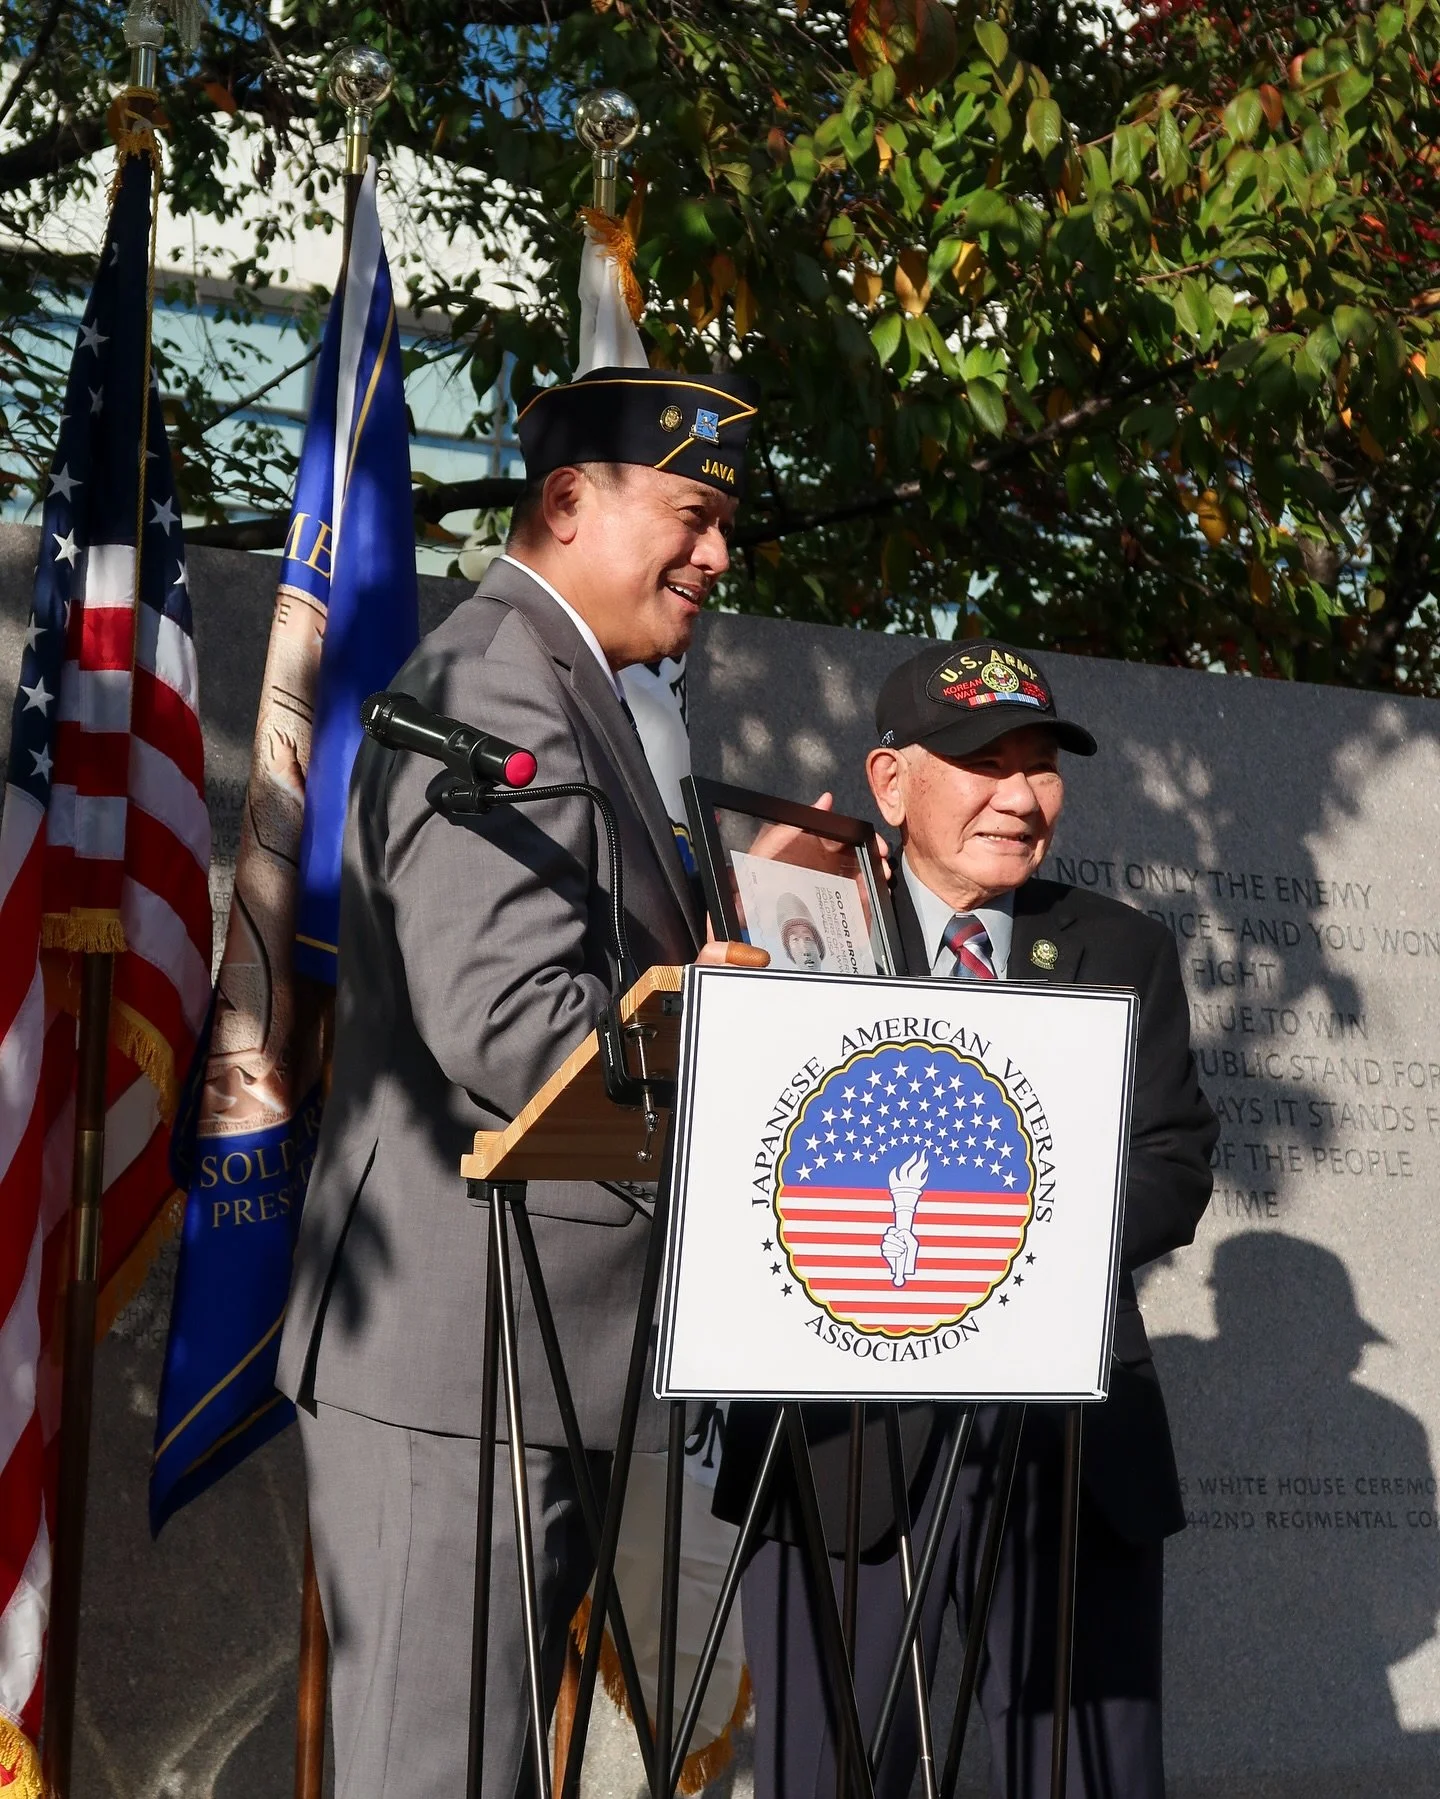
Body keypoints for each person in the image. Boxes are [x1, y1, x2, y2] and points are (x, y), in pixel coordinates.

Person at [276, 364, 760, 1798]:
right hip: (457, 1349)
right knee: (436, 1771)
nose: (718, 555)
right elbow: (504, 1014)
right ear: (567, 501)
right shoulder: (497, 672)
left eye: (728, 523)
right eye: (693, 512)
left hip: (531, 1348)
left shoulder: (572, 687)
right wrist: (727, 1032)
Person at [716, 638, 1219, 1799]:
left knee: (1088, 1773)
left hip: (1067, 1442)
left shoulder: (1119, 946)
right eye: (982, 761)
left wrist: (1005, 1250)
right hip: (841, 1438)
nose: (1018, 796)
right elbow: (743, 1146)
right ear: (893, 784)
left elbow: (1172, 1158)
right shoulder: (807, 932)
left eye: (1039, 765)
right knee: (828, 1772)